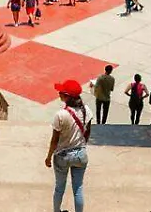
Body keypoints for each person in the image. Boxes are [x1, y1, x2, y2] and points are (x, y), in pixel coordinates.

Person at [46, 79, 90, 212]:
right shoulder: (86, 110)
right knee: (78, 189)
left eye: (61, 92)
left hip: (62, 156)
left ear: (67, 97)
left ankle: (57, 210)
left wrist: (48, 158)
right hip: (80, 154)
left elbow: (54, 140)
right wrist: (81, 145)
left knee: (59, 187)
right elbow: (88, 133)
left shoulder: (60, 115)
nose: (59, 93)